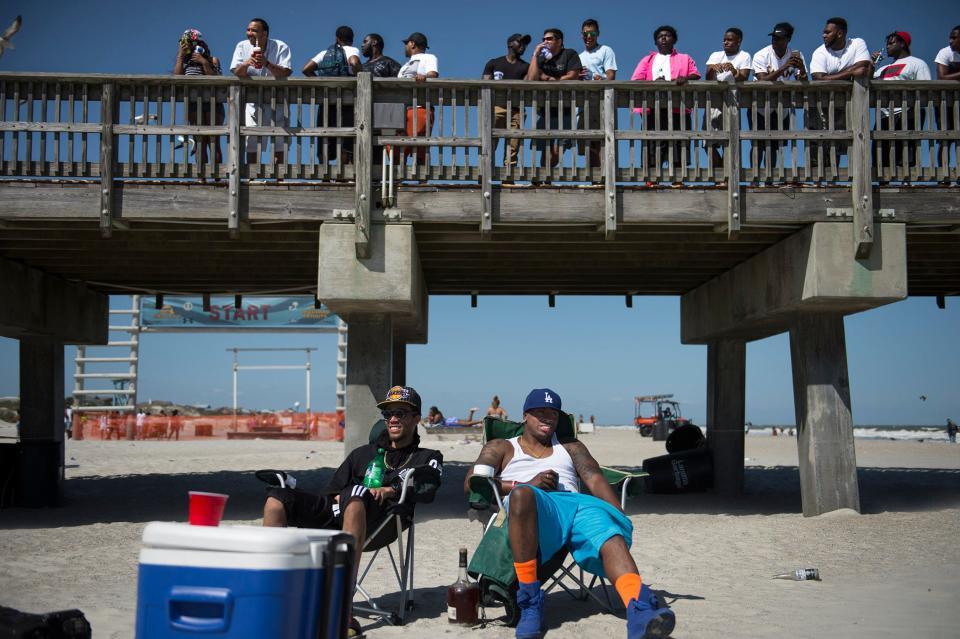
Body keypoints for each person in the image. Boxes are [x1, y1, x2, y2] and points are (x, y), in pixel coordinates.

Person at [464, 388, 675, 639]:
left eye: (552, 413)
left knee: (607, 528)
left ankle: (638, 610)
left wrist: (617, 514)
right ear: (525, 416)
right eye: (540, 412)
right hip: (532, 509)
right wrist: (525, 484)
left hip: (576, 506)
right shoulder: (501, 446)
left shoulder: (571, 446)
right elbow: (472, 483)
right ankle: (530, 603)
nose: (547, 418)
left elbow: (594, 479)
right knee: (522, 497)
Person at [263, 385, 442, 636]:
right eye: (388, 414)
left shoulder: (427, 457)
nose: (392, 419)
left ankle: (342, 607)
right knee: (277, 498)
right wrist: (344, 497)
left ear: (416, 419)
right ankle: (270, 598)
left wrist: (390, 490)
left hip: (382, 524)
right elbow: (332, 492)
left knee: (355, 494)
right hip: (339, 516)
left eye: (400, 413)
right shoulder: (362, 454)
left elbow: (428, 488)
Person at [631, 25, 700, 185]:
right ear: (655, 41)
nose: (663, 38)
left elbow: (695, 74)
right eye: (660, 36)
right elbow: (636, 79)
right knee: (652, 142)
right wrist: (653, 84)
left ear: (674, 40)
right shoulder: (647, 59)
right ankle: (652, 180)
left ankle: (677, 180)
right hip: (652, 108)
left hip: (678, 108)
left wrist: (685, 78)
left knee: (678, 142)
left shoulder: (684, 58)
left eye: (668, 35)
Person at [808, 17, 870, 174]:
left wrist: (833, 76)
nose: (824, 35)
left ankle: (837, 177)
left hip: (846, 104)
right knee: (819, 141)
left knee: (841, 141)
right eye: (824, 32)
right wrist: (850, 72)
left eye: (828, 32)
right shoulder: (820, 52)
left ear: (840, 33)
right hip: (822, 102)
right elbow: (818, 79)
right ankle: (819, 179)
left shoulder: (857, 44)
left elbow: (864, 67)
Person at [230, 18, 293, 168]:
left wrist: (266, 63)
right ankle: (253, 178)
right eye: (248, 30)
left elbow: (286, 72)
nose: (249, 34)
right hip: (252, 99)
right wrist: (247, 63)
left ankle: (280, 178)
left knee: (280, 138)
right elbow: (236, 72)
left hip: (277, 98)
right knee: (252, 138)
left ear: (264, 34)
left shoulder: (280, 46)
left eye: (254, 31)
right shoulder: (242, 46)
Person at [750, 22, 808, 170]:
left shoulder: (796, 55)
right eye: (774, 38)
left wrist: (801, 69)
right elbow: (762, 80)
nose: (775, 41)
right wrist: (784, 68)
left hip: (782, 107)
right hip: (760, 105)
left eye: (779, 38)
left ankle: (769, 178)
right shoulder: (762, 54)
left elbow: (804, 81)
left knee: (775, 144)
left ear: (788, 39)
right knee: (758, 143)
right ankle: (754, 179)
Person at [871, 31, 931, 174]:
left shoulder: (917, 63)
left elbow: (927, 89)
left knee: (906, 153)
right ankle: (882, 186)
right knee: (880, 154)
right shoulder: (882, 69)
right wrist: (871, 64)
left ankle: (906, 185)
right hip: (884, 115)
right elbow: (868, 84)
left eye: (891, 43)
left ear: (902, 43)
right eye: (887, 43)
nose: (887, 46)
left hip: (909, 112)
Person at [303, 26, 362, 167]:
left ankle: (325, 176)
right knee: (345, 137)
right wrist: (361, 74)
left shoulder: (324, 53)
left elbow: (306, 69)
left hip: (326, 101)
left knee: (324, 136)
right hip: (346, 101)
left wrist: (320, 83)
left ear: (336, 38)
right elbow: (354, 63)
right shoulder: (352, 50)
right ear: (352, 39)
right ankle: (342, 176)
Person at [526, 28, 582, 170]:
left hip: (566, 110)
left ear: (559, 41)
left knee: (559, 149)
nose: (545, 41)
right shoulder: (541, 57)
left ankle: (546, 175)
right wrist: (535, 55)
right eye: (544, 39)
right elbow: (532, 79)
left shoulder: (570, 54)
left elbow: (573, 75)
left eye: (549, 39)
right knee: (546, 149)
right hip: (545, 111)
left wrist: (551, 79)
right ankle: (545, 179)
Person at [174, 28, 223, 178]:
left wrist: (203, 61)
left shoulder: (212, 59)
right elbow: (176, 78)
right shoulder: (185, 61)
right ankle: (201, 177)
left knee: (214, 141)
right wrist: (181, 57)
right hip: (194, 103)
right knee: (199, 141)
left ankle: (216, 177)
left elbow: (216, 78)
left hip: (213, 103)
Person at [704, 28, 752, 173]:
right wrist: (713, 68)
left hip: (732, 102)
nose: (726, 42)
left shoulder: (744, 56)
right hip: (713, 101)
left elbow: (744, 77)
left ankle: (726, 176)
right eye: (724, 39)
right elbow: (708, 77)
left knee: (730, 141)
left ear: (739, 41)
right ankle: (720, 172)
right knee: (708, 141)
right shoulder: (716, 55)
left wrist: (733, 70)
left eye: (730, 39)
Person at [483, 33, 532, 171]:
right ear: (510, 44)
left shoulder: (525, 66)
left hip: (516, 110)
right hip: (496, 107)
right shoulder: (494, 63)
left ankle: (509, 176)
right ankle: (486, 173)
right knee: (490, 142)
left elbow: (529, 81)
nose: (523, 46)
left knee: (513, 145)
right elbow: (484, 83)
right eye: (520, 42)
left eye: (525, 44)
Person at [577, 19, 617, 170]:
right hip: (584, 103)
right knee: (589, 142)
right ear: (581, 35)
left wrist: (601, 79)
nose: (589, 36)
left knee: (603, 140)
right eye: (585, 33)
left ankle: (603, 179)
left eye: (592, 33)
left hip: (601, 101)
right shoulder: (578, 56)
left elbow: (611, 76)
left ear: (598, 34)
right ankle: (594, 179)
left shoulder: (606, 50)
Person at [397, 32, 439, 165]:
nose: (405, 47)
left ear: (412, 44)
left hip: (420, 107)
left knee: (419, 146)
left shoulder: (429, 57)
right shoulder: (404, 66)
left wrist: (424, 77)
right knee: (397, 146)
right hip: (403, 109)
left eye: (406, 44)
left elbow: (433, 74)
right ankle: (398, 179)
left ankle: (423, 181)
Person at [934, 26, 960, 175]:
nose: (950, 41)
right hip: (944, 103)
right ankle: (944, 175)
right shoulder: (945, 52)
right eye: (950, 37)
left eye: (954, 37)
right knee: (945, 138)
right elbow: (942, 77)